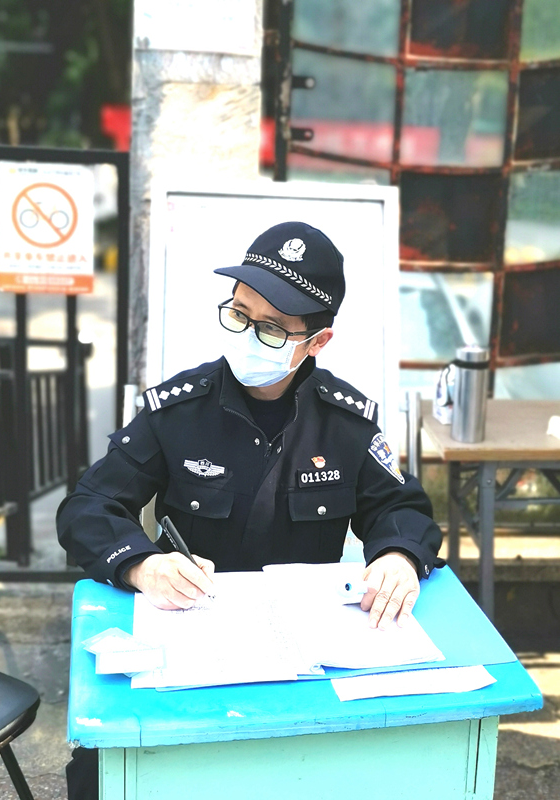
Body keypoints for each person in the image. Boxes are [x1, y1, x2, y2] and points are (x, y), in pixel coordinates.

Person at [58, 220, 444, 799]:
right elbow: (87, 506)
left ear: (317, 342)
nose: (246, 335)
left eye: (270, 328)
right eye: (239, 314)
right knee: (102, 770)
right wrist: (142, 564)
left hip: (308, 661)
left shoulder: (345, 422)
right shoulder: (178, 411)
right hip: (192, 640)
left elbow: (401, 506)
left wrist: (397, 556)